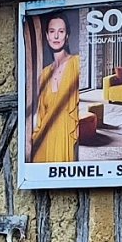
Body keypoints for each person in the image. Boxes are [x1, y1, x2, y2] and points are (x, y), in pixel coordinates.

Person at [29, 12, 80, 163]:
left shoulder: (77, 63)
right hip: (44, 143)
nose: (56, 36)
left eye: (61, 31)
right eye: (52, 31)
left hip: (67, 136)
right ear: (47, 36)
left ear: (67, 36)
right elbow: (41, 114)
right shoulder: (44, 73)